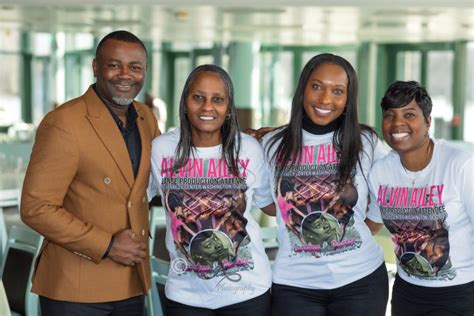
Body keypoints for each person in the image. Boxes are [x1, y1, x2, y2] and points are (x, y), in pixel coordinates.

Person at [20, 30, 160, 315]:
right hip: (76, 287)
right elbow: (36, 208)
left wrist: (246, 141)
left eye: (135, 67)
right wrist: (107, 244)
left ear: (144, 71)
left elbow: (168, 172)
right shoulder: (65, 123)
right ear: (96, 67)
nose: (125, 75)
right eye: (114, 65)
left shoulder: (146, 118)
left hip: (132, 280)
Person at [261, 53, 389, 316]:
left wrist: (363, 225)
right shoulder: (271, 145)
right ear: (303, 89)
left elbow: (389, 191)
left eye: (337, 91)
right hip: (294, 285)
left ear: (348, 99)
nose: (325, 99)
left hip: (361, 282)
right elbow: (269, 206)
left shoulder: (366, 142)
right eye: (317, 86)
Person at [148, 64, 275, 315]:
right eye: (198, 98)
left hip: (248, 292)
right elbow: (133, 198)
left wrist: (279, 141)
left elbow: (270, 205)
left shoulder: (248, 148)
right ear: (185, 102)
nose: (207, 107)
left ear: (228, 108)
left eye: (217, 99)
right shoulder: (161, 149)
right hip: (186, 295)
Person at [366, 80, 474, 315]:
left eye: (409, 114)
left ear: (428, 122)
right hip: (407, 293)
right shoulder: (380, 172)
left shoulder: (460, 165)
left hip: (459, 292)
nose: (397, 123)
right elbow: (372, 223)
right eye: (389, 115)